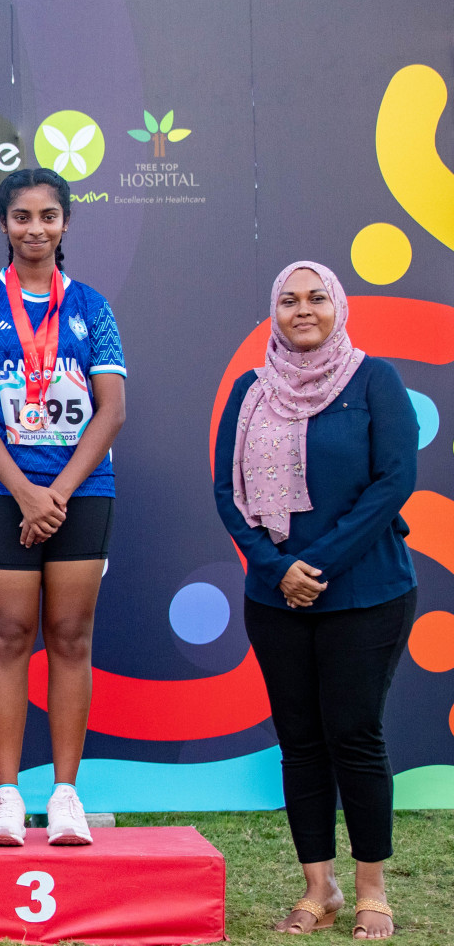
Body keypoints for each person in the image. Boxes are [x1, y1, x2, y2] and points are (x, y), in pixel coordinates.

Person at [213, 261, 416, 940]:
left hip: (366, 593)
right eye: (290, 300)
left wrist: (313, 564)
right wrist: (277, 570)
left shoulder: (374, 380)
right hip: (277, 601)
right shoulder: (250, 391)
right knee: (299, 744)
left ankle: (371, 890)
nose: (304, 309)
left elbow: (394, 481)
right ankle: (317, 887)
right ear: (274, 311)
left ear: (340, 306)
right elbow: (227, 494)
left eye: (317, 297)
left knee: (354, 736)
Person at [0, 168, 127, 847]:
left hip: (80, 492)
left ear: (66, 223)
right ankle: (8, 796)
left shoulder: (93, 307)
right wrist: (25, 492)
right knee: (10, 636)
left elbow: (112, 408)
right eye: (22, 216)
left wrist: (59, 494)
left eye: (48, 215)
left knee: (72, 637)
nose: (35, 228)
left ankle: (68, 796)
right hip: (3, 494)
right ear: (3, 225)